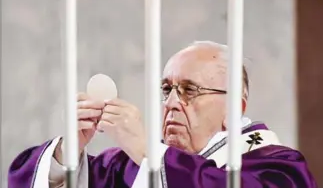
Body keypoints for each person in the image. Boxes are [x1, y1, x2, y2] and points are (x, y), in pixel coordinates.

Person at [8, 41, 317, 188]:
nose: (171, 102)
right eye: (167, 89)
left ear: (235, 108)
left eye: (189, 90)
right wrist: (67, 153)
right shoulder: (126, 166)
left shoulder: (279, 169)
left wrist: (147, 153)